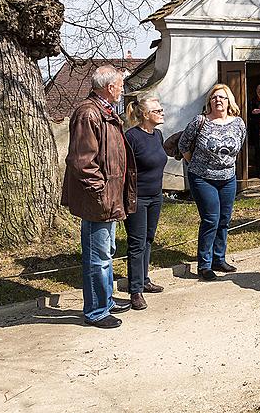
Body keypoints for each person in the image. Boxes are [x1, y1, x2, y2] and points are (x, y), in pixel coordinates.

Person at [62, 65, 136, 329]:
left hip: (109, 197)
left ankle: (105, 301)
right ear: (109, 87)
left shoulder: (105, 111)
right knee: (98, 256)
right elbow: (82, 162)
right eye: (119, 84)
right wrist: (101, 191)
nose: (122, 89)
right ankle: (96, 310)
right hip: (99, 199)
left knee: (107, 252)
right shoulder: (88, 113)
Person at [179, 84, 247, 281]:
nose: (218, 100)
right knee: (211, 219)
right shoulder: (200, 121)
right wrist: (197, 165)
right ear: (209, 102)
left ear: (229, 102)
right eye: (214, 97)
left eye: (223, 98)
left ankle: (219, 258)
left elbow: (238, 147)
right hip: (202, 178)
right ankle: (204, 264)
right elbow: (184, 145)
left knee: (224, 219)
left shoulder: (239, 123)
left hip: (228, 178)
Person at [123, 96, 168, 310]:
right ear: (145, 115)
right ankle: (135, 290)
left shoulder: (157, 135)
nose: (161, 113)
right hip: (137, 198)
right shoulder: (131, 137)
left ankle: (144, 280)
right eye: (157, 110)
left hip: (155, 196)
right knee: (137, 243)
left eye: (161, 109)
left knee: (149, 239)